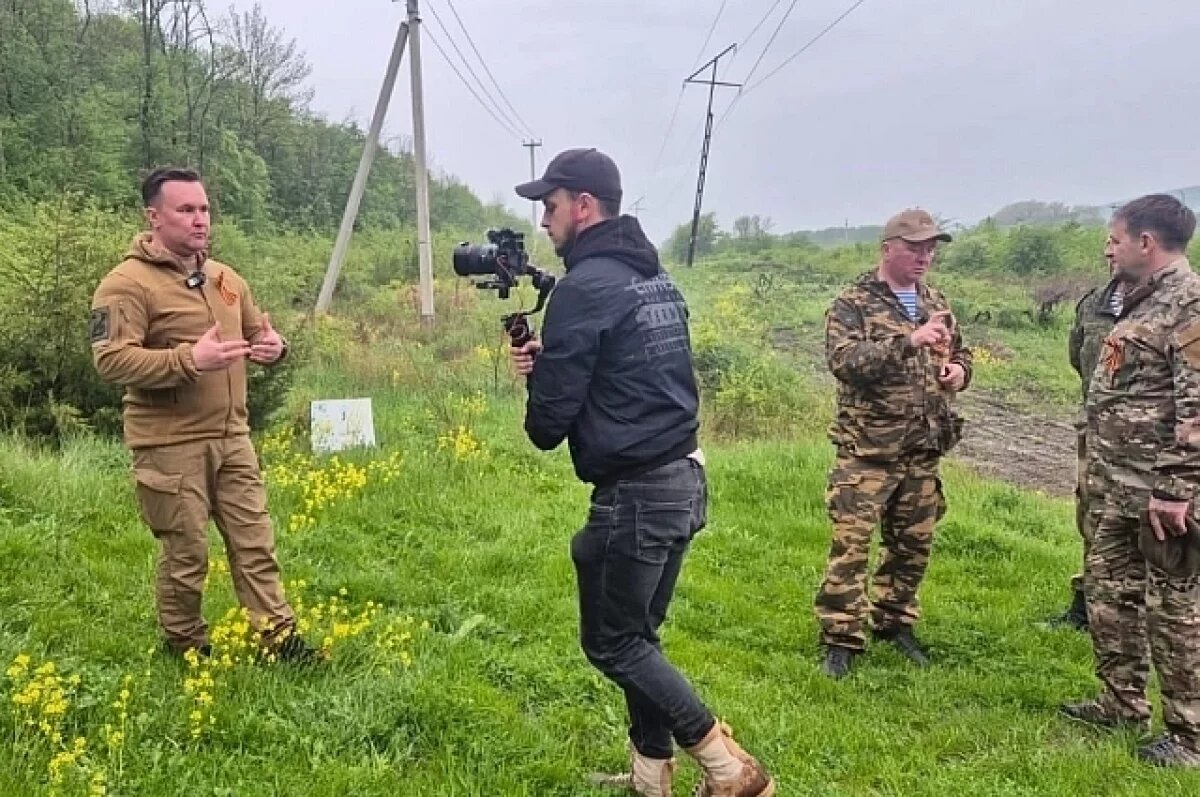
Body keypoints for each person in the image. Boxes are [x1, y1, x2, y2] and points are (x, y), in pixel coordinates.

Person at [509, 148, 774, 797]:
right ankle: (649, 777)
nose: (544, 219)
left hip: (636, 494)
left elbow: (547, 426)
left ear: (584, 205)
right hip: (684, 477)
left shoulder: (582, 288)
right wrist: (564, 361)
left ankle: (726, 764)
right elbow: (633, 376)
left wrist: (540, 372)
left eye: (550, 205)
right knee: (640, 639)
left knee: (615, 643)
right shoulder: (650, 279)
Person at [90, 167, 317, 663]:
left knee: (255, 542)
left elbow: (262, 334)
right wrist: (189, 360)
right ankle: (185, 645)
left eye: (204, 209)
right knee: (187, 553)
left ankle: (279, 641)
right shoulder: (125, 284)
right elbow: (110, 360)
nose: (199, 220)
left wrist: (275, 347)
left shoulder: (225, 278)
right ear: (154, 217)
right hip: (169, 444)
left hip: (233, 435)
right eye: (185, 210)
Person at [1061, 194, 1200, 767]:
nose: (1107, 247)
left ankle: (1189, 735)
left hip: (1160, 493)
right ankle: (1121, 701)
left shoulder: (1189, 304)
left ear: (1146, 242)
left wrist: (1176, 488)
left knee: (1175, 610)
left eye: (1115, 238)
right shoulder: (1136, 301)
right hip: (1115, 484)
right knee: (1110, 595)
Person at [814, 209, 972, 679]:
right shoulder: (853, 303)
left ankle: (895, 621)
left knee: (912, 545)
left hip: (922, 450)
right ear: (888, 248)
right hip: (868, 452)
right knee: (852, 545)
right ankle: (841, 636)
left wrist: (960, 370)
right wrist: (909, 339)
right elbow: (845, 362)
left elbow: (960, 349)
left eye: (931, 249)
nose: (925, 257)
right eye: (916, 247)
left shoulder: (935, 300)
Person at [1050, 266, 1123, 630]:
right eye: (1108, 243)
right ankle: (1087, 607)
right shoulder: (1095, 303)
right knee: (1091, 516)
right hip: (1095, 430)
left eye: (1118, 241)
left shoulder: (1178, 304)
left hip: (1155, 443)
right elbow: (1078, 357)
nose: (1111, 251)